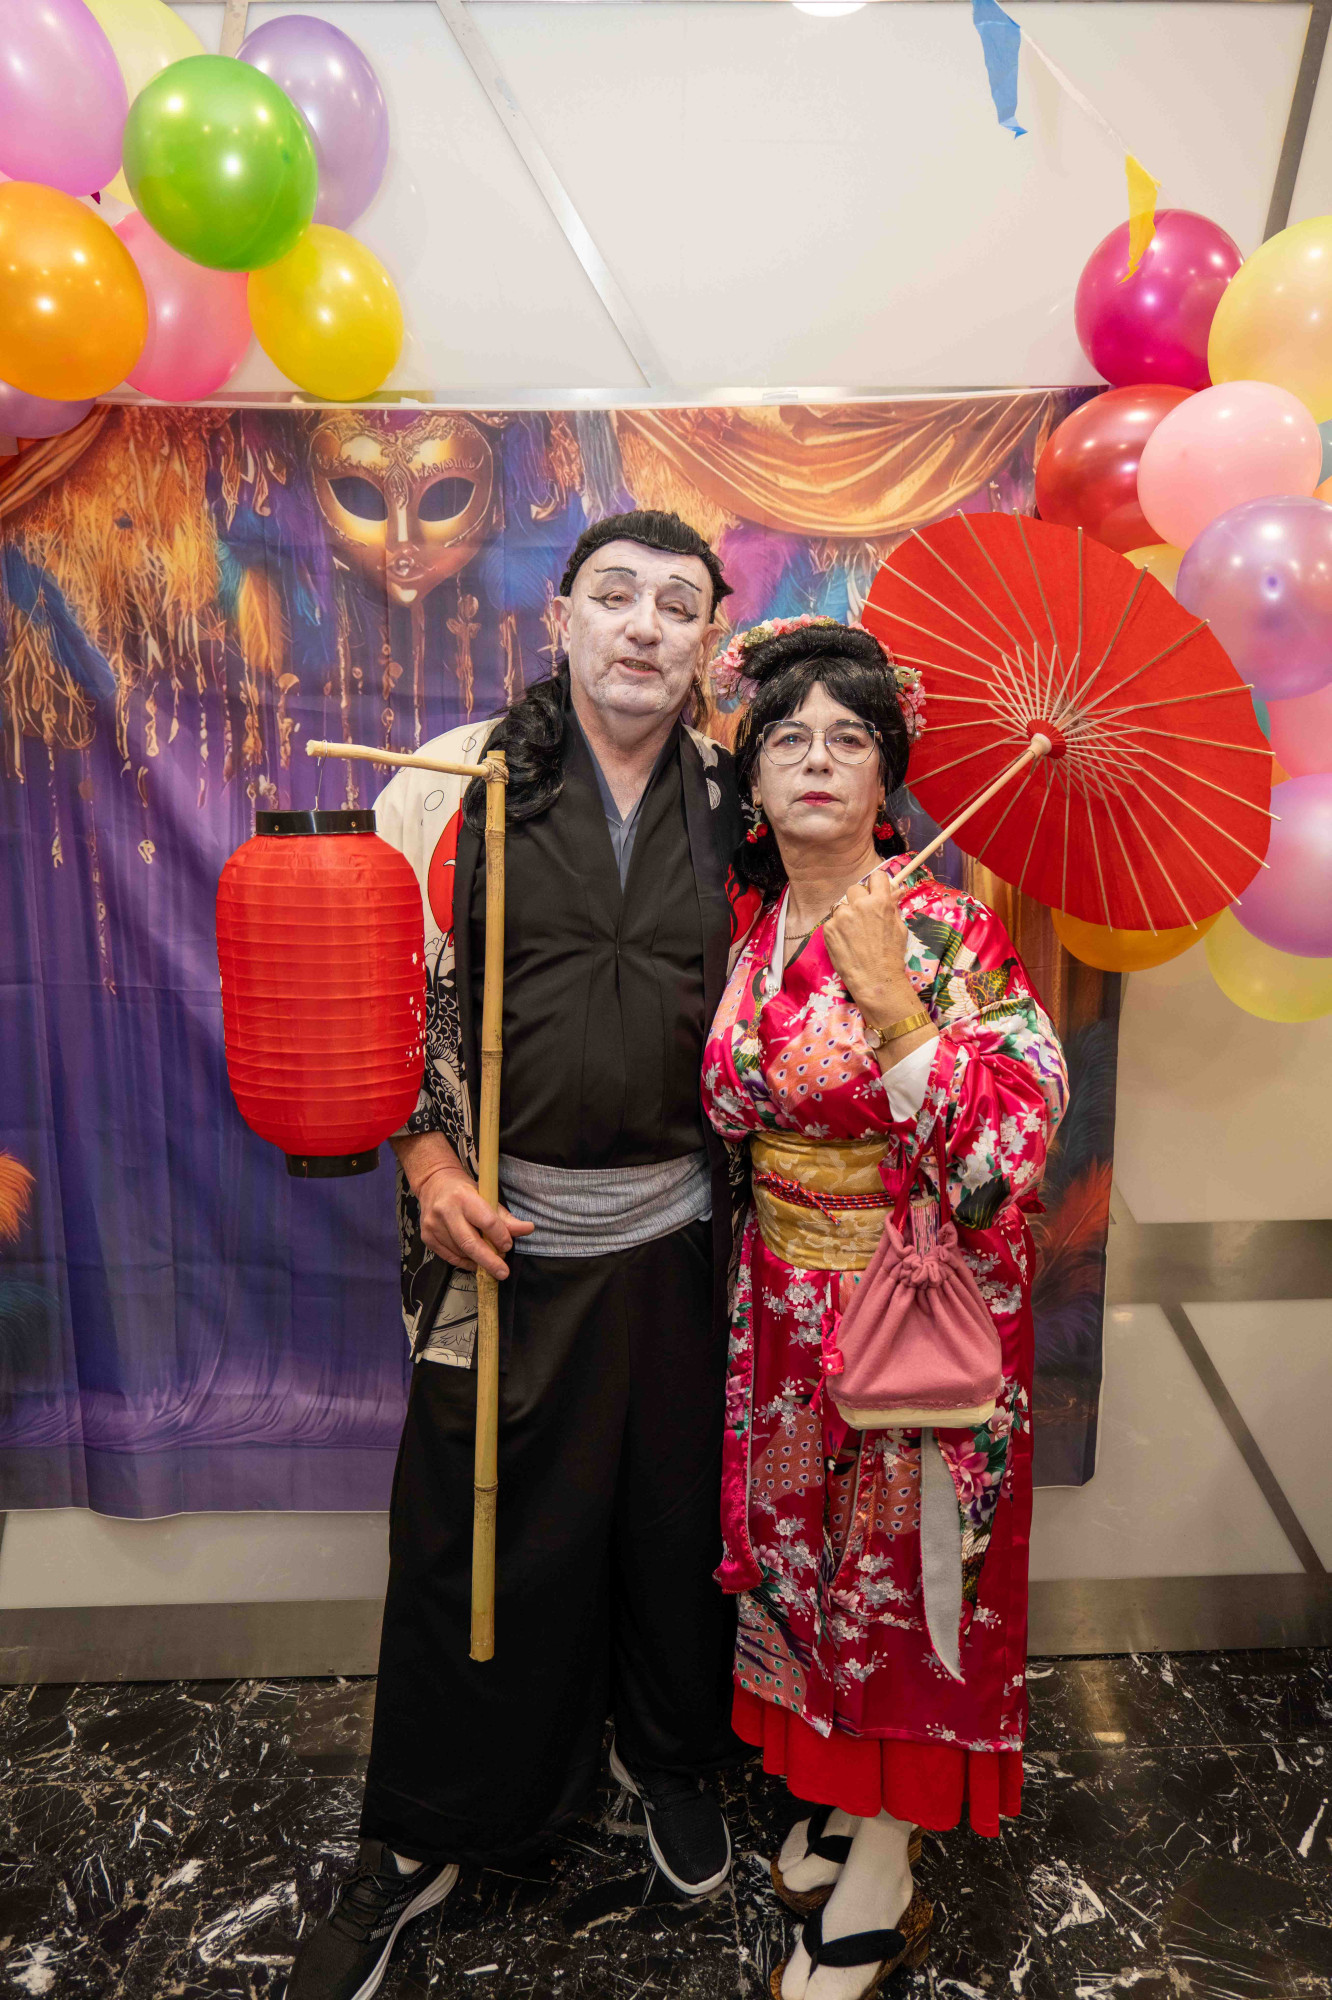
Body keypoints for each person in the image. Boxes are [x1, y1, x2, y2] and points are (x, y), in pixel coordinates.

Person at [289, 511, 745, 2000]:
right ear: (559, 616)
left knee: (674, 1527)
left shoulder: (738, 799)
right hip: (496, 1238)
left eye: (677, 604)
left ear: (708, 638)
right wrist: (429, 1169)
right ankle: (428, 1829)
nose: (644, 627)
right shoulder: (453, 781)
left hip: (685, 1240)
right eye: (615, 596)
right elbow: (390, 1006)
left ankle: (670, 1758)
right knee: (467, 1539)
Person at [701, 616, 1068, 2000]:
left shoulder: (949, 930)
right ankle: (842, 1793)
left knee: (902, 1590)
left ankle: (890, 1861)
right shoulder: (755, 929)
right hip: (783, 1310)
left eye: (848, 738)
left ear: (885, 776)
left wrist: (896, 1005)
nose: (816, 759)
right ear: (753, 777)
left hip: (908, 1313)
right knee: (806, 1571)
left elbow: (1008, 1156)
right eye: (787, 736)